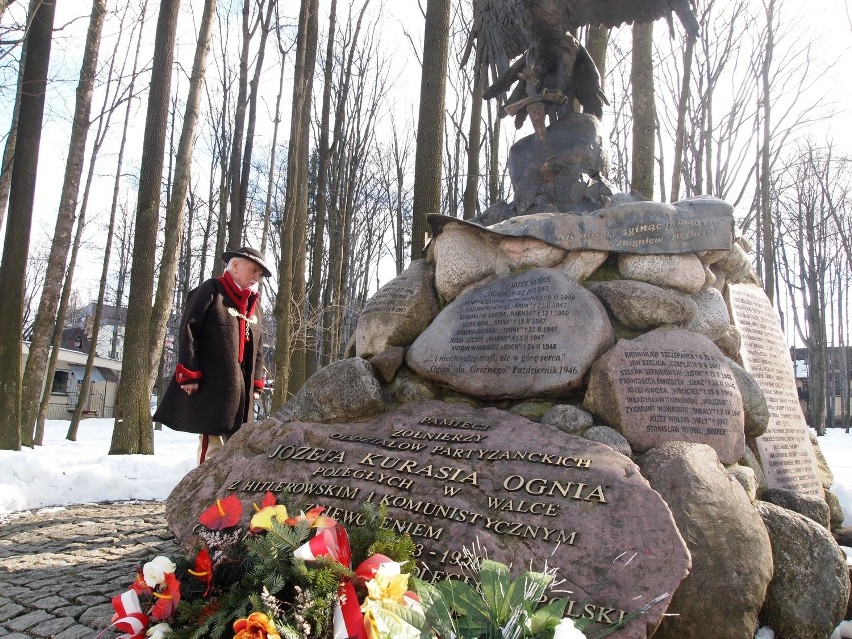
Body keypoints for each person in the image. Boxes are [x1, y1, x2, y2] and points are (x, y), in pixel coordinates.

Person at [153, 246, 271, 464]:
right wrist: (189, 374)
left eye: (259, 274)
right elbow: (189, 330)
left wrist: (255, 384)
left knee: (239, 445)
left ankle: (230, 495)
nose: (256, 277)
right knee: (212, 446)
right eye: (253, 270)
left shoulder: (254, 305)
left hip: (242, 391)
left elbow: (259, 347)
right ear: (235, 266)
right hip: (212, 385)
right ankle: (205, 495)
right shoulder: (211, 290)